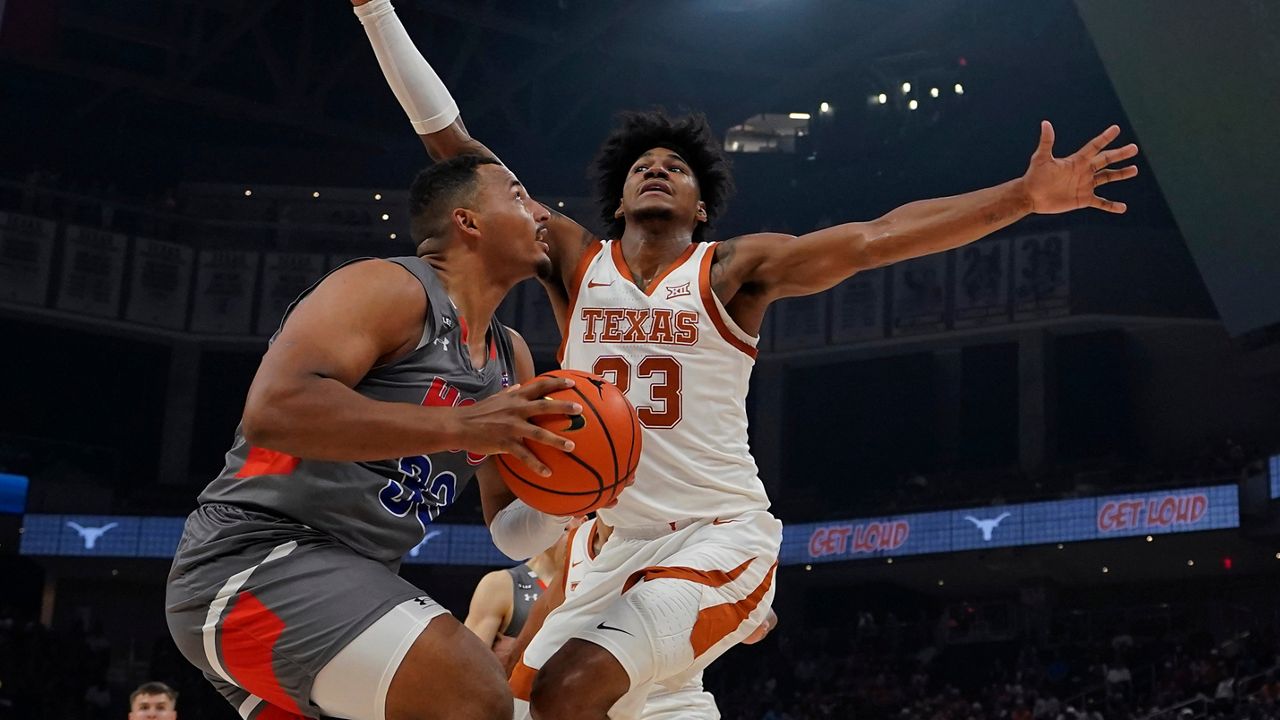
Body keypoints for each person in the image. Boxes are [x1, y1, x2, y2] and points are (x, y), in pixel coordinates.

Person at [354, 3, 1138, 717]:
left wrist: (1021, 198)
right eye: (640, 168)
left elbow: (878, 238)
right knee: (507, 709)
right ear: (619, 203)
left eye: (677, 167)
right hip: (606, 553)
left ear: (700, 207)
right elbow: (456, 148)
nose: (657, 168)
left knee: (568, 691)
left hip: (714, 535)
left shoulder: (731, 272)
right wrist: (376, 11)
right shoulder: (572, 262)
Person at [164, 154, 588, 720]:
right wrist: (460, 424)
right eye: (518, 195)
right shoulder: (389, 287)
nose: (542, 213)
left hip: (342, 591)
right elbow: (275, 409)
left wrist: (577, 498)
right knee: (477, 694)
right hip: (254, 564)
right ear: (468, 222)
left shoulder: (511, 358)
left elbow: (510, 532)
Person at [503, 516, 776, 720]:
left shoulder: (675, 530)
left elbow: (760, 619)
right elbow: (545, 616)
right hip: (583, 701)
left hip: (669, 705)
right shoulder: (578, 539)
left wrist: (756, 621)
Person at [464, 538, 563, 651]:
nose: (569, 536)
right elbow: (469, 660)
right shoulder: (500, 584)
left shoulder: (585, 588)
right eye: (564, 528)